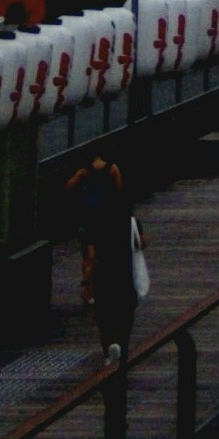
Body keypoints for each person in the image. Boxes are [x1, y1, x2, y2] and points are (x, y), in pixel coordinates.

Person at [69, 148, 143, 370]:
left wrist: (86, 283)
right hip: (124, 272)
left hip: (103, 275)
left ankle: (109, 349)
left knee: (105, 316)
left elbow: (91, 257)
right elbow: (140, 243)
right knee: (124, 313)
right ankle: (122, 344)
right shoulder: (126, 218)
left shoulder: (84, 172)